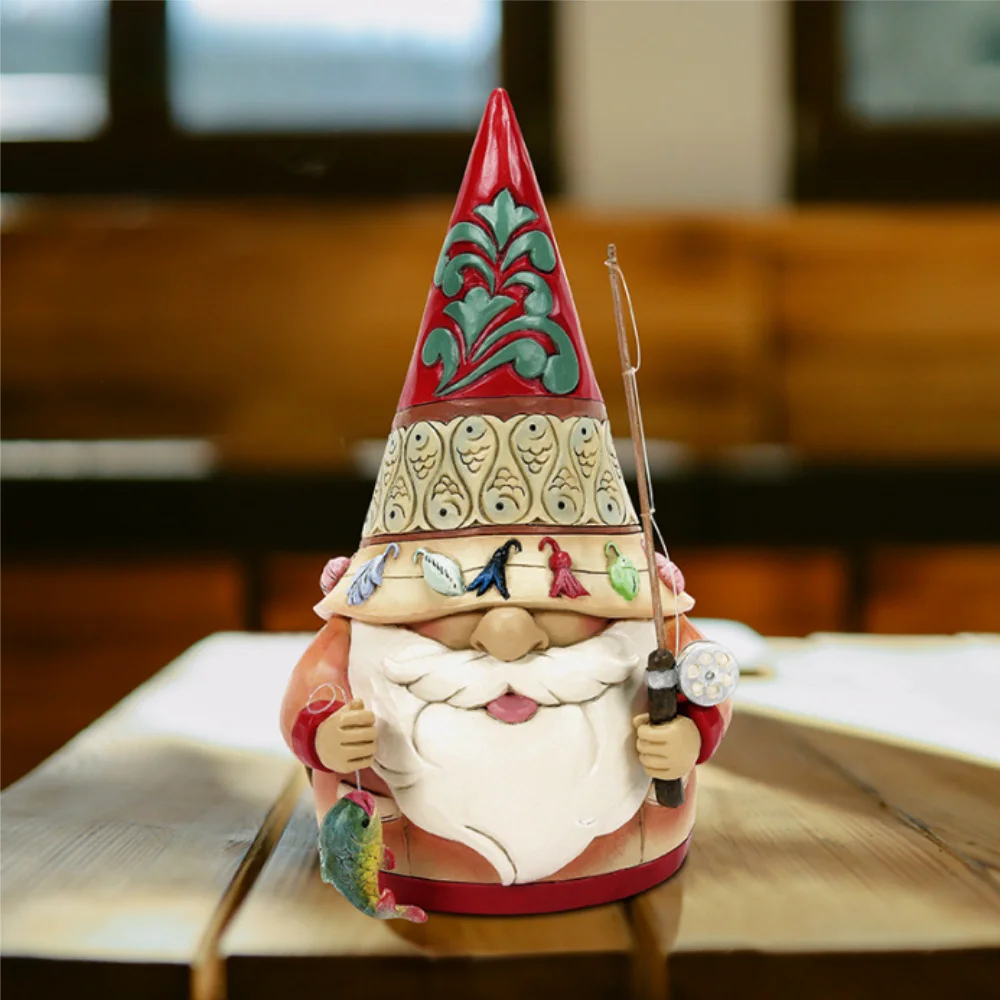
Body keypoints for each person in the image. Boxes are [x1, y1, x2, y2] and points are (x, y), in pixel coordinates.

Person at [280, 89, 732, 915]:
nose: (510, 637)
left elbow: (701, 680)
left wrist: (692, 729)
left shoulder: (649, 630)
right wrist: (321, 729)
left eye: (555, 606)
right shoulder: (359, 641)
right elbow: (316, 686)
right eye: (460, 605)